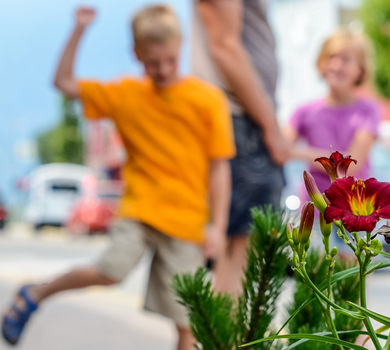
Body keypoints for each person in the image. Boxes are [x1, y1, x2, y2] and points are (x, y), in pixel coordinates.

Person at [1, 5, 236, 350]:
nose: (163, 69)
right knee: (111, 270)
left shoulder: (207, 100)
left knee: (187, 322)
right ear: (137, 55)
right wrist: (79, 30)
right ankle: (36, 292)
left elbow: (219, 166)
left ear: (181, 47)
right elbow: (63, 83)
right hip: (140, 210)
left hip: (187, 220)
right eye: (153, 62)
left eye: (171, 59)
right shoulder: (126, 94)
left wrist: (217, 225)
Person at [192, 0, 290, 294]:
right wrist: (271, 128)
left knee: (242, 249)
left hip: (241, 119)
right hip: (238, 118)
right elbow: (224, 46)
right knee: (242, 247)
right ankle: (228, 341)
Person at [285, 28, 380, 198]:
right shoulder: (303, 111)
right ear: (320, 63)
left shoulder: (368, 111)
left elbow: (351, 165)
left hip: (355, 212)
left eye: (345, 60)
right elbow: (281, 147)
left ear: (361, 70)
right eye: (330, 57)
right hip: (315, 210)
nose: (336, 65)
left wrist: (298, 152)